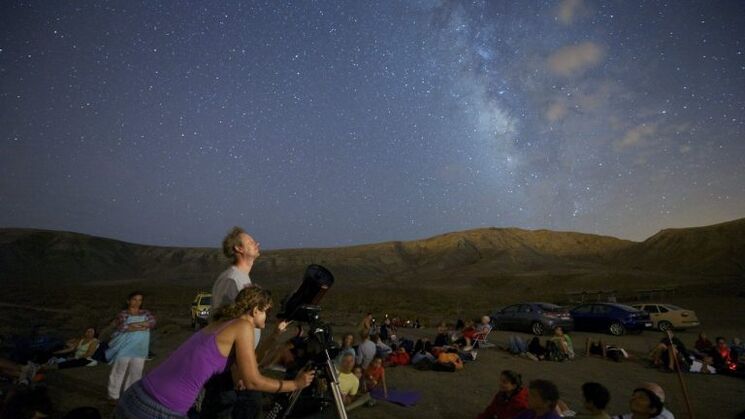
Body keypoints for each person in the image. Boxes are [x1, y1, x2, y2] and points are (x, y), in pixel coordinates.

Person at [114, 286, 314, 419]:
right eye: (266, 311)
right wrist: (295, 384)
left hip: (138, 395)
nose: (268, 316)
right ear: (255, 310)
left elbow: (249, 365)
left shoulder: (224, 324)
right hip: (159, 409)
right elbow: (252, 380)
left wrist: (274, 335)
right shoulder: (243, 326)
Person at [106, 291, 156, 404]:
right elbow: (122, 327)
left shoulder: (146, 312)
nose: (137, 302)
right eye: (134, 299)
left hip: (140, 347)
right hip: (124, 346)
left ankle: (129, 394)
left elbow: (152, 323)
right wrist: (141, 325)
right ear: (128, 301)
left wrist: (132, 326)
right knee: (119, 370)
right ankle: (113, 396)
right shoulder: (123, 314)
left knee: (136, 372)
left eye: (140, 300)